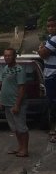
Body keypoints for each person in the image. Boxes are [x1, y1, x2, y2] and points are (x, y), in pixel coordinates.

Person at [0, 48, 29, 157]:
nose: (7, 57)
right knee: (15, 128)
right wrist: (1, 99)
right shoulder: (5, 68)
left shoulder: (19, 70)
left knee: (21, 128)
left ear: (14, 56)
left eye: (9, 55)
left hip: (16, 104)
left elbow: (22, 88)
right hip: (7, 104)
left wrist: (17, 104)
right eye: (5, 55)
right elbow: (4, 84)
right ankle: (20, 147)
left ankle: (25, 150)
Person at [38, 15, 56, 143]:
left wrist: (41, 48)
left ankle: (54, 131)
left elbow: (43, 54)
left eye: (53, 26)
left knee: (53, 104)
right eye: (48, 26)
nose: (50, 28)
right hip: (50, 74)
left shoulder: (54, 39)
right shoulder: (51, 38)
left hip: (53, 75)